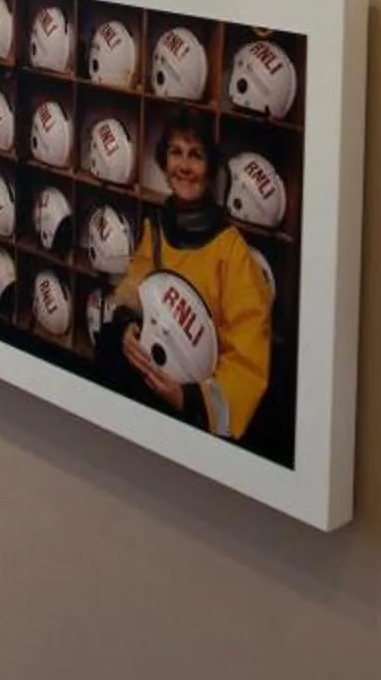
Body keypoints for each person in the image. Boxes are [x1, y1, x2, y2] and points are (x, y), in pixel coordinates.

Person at [98, 113, 274, 441]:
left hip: (190, 419)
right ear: (164, 162)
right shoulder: (157, 228)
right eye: (176, 152)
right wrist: (125, 329)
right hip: (147, 385)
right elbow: (131, 289)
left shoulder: (232, 250)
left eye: (195, 154)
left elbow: (248, 363)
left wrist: (188, 399)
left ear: (210, 167)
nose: (184, 165)